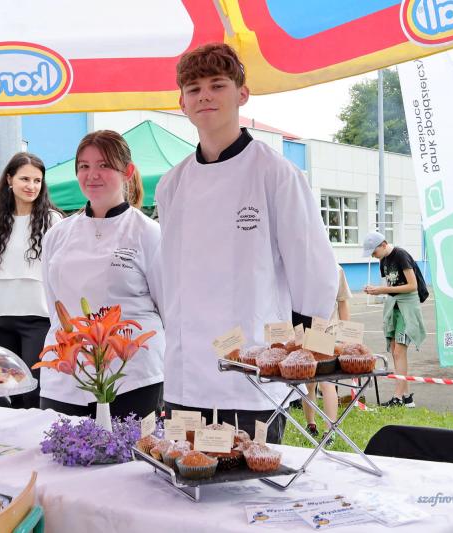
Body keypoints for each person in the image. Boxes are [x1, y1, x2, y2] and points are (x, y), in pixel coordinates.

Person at [156, 43, 338, 444]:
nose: (204, 96)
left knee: (252, 477)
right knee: (186, 474)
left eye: (217, 85)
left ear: (242, 94)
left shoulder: (276, 173)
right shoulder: (172, 184)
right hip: (186, 373)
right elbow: (169, 274)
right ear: (182, 103)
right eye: (193, 89)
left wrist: (304, 352)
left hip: (254, 373)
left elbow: (314, 269)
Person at [40, 130, 164, 418]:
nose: (92, 174)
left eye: (104, 165)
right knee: (63, 445)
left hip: (132, 373)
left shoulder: (148, 233)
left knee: (129, 447)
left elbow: (166, 305)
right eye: (84, 166)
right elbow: (53, 304)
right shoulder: (57, 235)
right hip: (68, 372)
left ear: (127, 172)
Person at [0, 152, 63, 409]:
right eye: (25, 179)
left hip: (38, 317)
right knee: (10, 389)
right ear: (9, 179)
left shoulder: (52, 220)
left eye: (37, 180)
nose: (31, 186)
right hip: (0, 315)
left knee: (34, 390)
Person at [362, 231, 427, 408]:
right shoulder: (383, 260)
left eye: (374, 252)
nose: (373, 256)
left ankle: (398, 397)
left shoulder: (401, 255)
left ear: (383, 245)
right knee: (394, 350)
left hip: (407, 307)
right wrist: (377, 290)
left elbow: (412, 286)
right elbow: (392, 285)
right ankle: (407, 398)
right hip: (394, 306)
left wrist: (382, 290)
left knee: (399, 351)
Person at [302, 266, 351, 443]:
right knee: (309, 382)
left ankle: (329, 429)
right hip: (305, 332)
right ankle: (311, 424)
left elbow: (343, 302)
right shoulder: (302, 268)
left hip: (325, 332)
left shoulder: (336, 269)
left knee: (325, 382)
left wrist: (346, 335)